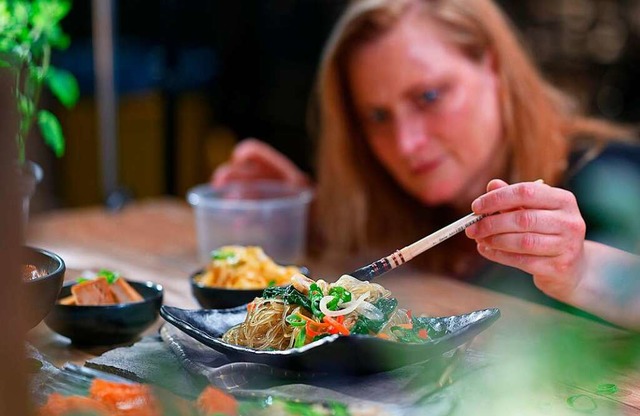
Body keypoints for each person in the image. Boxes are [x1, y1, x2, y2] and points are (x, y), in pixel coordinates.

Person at [211, 0, 640, 329]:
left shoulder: (614, 177)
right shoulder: (402, 204)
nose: (406, 143)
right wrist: (297, 207)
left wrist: (581, 268)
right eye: (378, 117)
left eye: (429, 97)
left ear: (493, 65)